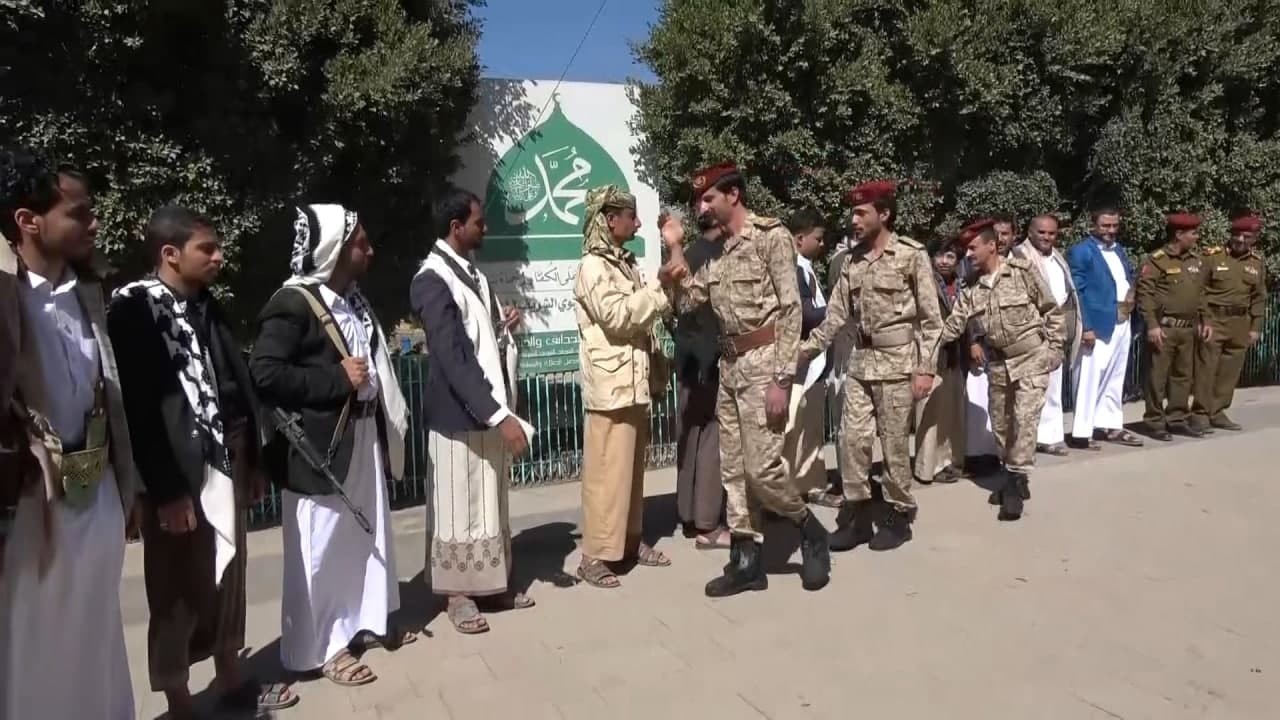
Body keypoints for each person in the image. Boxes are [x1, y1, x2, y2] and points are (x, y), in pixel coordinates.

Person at [108, 206, 296, 716]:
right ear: (170, 254)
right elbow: (139, 409)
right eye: (206, 249)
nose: (219, 257)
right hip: (177, 476)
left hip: (227, 461)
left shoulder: (205, 305)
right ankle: (179, 700)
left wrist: (252, 461)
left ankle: (231, 677)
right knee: (176, 588)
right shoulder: (134, 310)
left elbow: (232, 386)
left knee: (228, 575)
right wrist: (166, 491)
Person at [0, 149, 139, 719]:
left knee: (96, 640)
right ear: (28, 221)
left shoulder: (90, 291)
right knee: (34, 649)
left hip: (95, 495)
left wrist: (125, 488)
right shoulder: (5, 297)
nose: (94, 223)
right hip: (31, 513)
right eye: (78, 213)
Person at [250, 203, 411, 687]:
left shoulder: (352, 301)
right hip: (318, 449)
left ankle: (360, 622)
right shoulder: (292, 303)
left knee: (360, 538)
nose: (369, 250)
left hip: (358, 438)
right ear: (335, 250)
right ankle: (320, 648)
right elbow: (265, 374)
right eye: (360, 243)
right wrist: (336, 379)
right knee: (319, 547)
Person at [665, 161, 830, 597]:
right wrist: (675, 250)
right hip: (731, 367)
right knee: (735, 471)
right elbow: (689, 301)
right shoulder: (719, 250)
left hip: (764, 364)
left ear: (733, 195)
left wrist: (782, 379)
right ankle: (746, 561)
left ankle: (809, 529)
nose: (701, 206)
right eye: (699, 200)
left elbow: (791, 311)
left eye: (708, 198)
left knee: (762, 469)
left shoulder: (771, 237)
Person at [410, 188, 534, 632]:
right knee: (458, 509)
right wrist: (499, 415)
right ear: (455, 227)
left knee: (488, 505)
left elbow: (478, 341)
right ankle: (457, 595)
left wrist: (503, 327)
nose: (486, 228)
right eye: (479, 222)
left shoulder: (474, 276)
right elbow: (452, 356)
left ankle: (491, 585)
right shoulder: (431, 279)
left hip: (486, 409)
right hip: (457, 419)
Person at [798, 180, 942, 552]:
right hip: (861, 364)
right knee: (852, 440)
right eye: (853, 213)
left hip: (898, 363)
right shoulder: (852, 261)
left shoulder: (911, 255)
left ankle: (898, 514)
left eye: (862, 213)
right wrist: (802, 352)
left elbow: (931, 320)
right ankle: (858, 515)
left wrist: (926, 368)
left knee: (894, 444)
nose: (854, 220)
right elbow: (834, 317)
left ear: (885, 214)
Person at [572, 185, 675, 588]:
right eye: (631, 216)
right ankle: (594, 555)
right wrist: (658, 288)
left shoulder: (625, 263)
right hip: (609, 387)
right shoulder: (592, 267)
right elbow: (617, 317)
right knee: (605, 477)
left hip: (633, 383)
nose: (638, 222)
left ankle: (630, 542)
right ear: (609, 219)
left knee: (631, 475)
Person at [935, 219, 1064, 520]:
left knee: (1024, 420)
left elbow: (1051, 310)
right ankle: (1013, 474)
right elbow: (953, 325)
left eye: (973, 247)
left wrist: (1056, 349)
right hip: (998, 364)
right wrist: (924, 349)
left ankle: (1015, 488)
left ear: (991, 246)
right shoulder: (972, 288)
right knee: (1002, 426)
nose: (968, 254)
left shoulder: (1022, 272)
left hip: (1031, 358)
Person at [670, 212, 729, 549]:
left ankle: (688, 515)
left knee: (689, 439)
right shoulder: (719, 258)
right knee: (711, 439)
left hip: (688, 362)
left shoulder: (688, 255)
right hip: (711, 362)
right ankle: (708, 522)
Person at [1066, 207, 1144, 448]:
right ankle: (1081, 432)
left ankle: (1111, 425)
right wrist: (1086, 326)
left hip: (1121, 320)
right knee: (1089, 378)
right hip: (1097, 324)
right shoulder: (1081, 251)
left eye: (1114, 226)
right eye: (1105, 226)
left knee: (1115, 376)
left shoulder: (1119, 249)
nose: (1111, 230)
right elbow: (1077, 292)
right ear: (1093, 225)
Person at [1135, 214, 1212, 441]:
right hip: (1164, 328)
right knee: (1157, 377)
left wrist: (1206, 319)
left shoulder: (1196, 261)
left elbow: (1200, 294)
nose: (1197, 237)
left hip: (1188, 329)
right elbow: (1145, 294)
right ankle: (1154, 421)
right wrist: (1152, 325)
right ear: (1179, 234)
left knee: (1183, 376)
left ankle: (1177, 418)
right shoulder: (1157, 260)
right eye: (1193, 233)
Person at [1192, 214, 1269, 432]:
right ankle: (1200, 413)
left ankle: (1217, 411)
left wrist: (1255, 327)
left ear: (1254, 238)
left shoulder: (1256, 262)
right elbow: (1198, 290)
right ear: (1231, 235)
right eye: (1238, 235)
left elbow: (1259, 297)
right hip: (1214, 319)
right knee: (1207, 368)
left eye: (1247, 237)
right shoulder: (1212, 257)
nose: (1241, 240)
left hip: (1240, 322)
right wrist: (1203, 319)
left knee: (1230, 370)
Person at [1012, 214, 1080, 455]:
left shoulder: (1057, 257)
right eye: (1041, 232)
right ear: (1030, 232)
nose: (1047, 237)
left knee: (1053, 385)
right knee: (1029, 388)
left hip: (1055, 330)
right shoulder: (1018, 256)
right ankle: (1026, 440)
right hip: (1031, 330)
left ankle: (1050, 436)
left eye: (1051, 233)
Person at [914, 237, 967, 484]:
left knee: (950, 412)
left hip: (954, 354)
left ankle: (948, 462)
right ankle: (926, 468)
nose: (944, 261)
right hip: (930, 353)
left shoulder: (962, 284)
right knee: (929, 413)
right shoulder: (924, 282)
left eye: (950, 257)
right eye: (939, 256)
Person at [787, 207, 831, 500]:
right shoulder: (791, 269)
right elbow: (801, 315)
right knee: (794, 430)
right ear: (800, 238)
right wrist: (836, 311)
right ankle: (788, 492)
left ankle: (812, 485)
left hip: (816, 363)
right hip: (800, 362)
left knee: (812, 430)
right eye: (819, 238)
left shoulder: (806, 267)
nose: (822, 244)